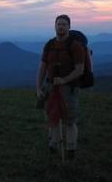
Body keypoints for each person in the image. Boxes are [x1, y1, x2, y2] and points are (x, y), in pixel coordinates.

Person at [36, 14, 85, 159]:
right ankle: (54, 144)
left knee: (69, 120)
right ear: (55, 26)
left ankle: (71, 150)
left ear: (69, 26)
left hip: (69, 88)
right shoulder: (49, 45)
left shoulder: (75, 46)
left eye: (64, 24)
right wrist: (38, 88)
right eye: (59, 24)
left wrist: (63, 80)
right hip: (50, 86)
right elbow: (42, 68)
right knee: (53, 117)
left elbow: (80, 69)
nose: (61, 27)